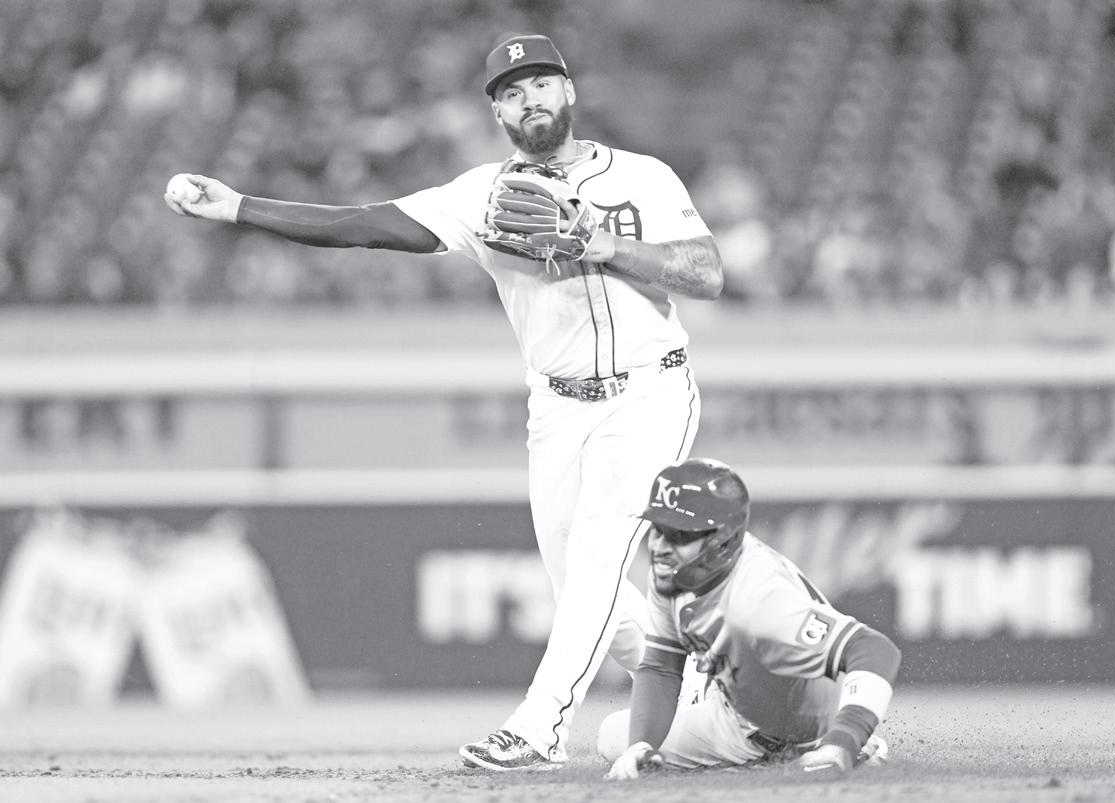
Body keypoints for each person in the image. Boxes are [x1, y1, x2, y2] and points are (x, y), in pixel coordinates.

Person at [164, 33, 723, 771]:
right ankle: (724, 696)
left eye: (541, 84)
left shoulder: (644, 177)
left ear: (569, 90)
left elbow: (706, 274)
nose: (530, 100)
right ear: (497, 113)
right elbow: (364, 225)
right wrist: (239, 206)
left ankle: (538, 729)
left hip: (648, 390)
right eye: (512, 93)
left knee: (596, 556)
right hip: (557, 409)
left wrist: (604, 245)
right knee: (592, 598)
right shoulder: (480, 196)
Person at [600, 458, 901, 780]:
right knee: (618, 739)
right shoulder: (675, 570)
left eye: (679, 534)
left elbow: (874, 649)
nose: (660, 546)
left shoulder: (760, 597)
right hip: (736, 709)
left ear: (721, 539)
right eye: (657, 530)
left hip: (805, 724)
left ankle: (840, 747)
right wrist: (642, 744)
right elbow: (662, 665)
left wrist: (843, 739)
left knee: (619, 737)